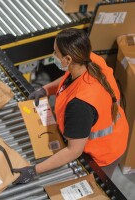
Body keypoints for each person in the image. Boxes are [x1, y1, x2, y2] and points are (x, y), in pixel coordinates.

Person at [13, 28, 129, 184]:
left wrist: (34, 170)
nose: (53, 55)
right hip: (114, 130)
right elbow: (68, 78)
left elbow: (73, 151)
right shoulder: (88, 60)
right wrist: (45, 89)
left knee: (93, 188)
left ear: (67, 59)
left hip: (104, 153)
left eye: (55, 53)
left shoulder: (81, 104)